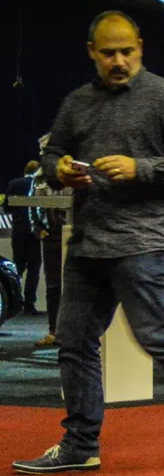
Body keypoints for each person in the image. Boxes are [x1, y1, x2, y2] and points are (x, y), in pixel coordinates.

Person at [12, 11, 164, 474]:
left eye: (127, 51)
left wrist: (139, 168)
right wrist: (58, 170)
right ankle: (80, 444)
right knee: (73, 340)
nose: (119, 61)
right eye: (109, 53)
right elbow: (52, 153)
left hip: (145, 237)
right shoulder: (77, 102)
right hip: (89, 241)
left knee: (156, 335)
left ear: (141, 48)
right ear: (92, 53)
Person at [31, 139, 68, 349]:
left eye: (46, 149)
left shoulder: (71, 174)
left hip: (71, 236)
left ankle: (71, 333)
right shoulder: (38, 178)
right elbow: (32, 206)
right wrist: (38, 230)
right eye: (42, 150)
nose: (43, 153)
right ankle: (54, 331)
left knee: (73, 286)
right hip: (50, 237)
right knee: (53, 286)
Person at [5, 158, 42, 314]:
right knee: (34, 269)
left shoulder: (14, 184)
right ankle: (29, 304)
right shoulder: (40, 185)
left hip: (19, 232)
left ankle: (16, 302)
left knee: (17, 268)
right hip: (36, 232)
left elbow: (6, 207)